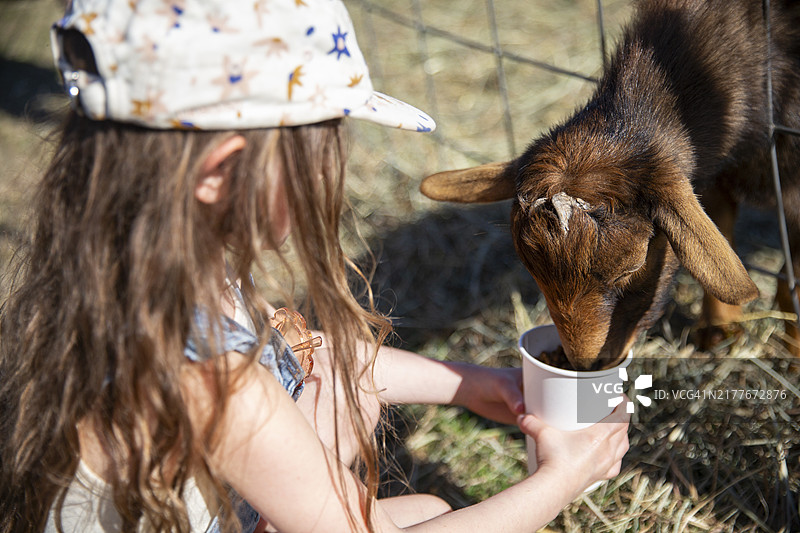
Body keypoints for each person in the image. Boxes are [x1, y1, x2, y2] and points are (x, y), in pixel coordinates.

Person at [0, 0, 630, 532]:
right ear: (222, 171)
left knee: (352, 404)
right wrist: (562, 479)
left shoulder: (149, 274)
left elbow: (324, 359)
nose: (333, 173)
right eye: (321, 150)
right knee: (403, 490)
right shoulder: (214, 383)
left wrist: (479, 385)